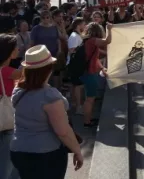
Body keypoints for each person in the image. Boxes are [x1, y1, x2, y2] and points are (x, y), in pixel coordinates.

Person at [10, 45, 83, 179]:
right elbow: (63, 131)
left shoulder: (18, 90)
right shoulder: (49, 96)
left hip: (18, 150)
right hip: (45, 154)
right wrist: (77, 150)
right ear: (48, 69)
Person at [81, 22, 112, 128]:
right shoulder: (93, 41)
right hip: (90, 73)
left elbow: (95, 58)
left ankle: (88, 119)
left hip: (88, 73)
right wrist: (110, 29)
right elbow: (107, 41)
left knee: (90, 98)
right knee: (90, 99)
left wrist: (102, 68)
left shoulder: (88, 42)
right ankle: (87, 122)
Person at [0, 34, 22, 179]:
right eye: (15, 47)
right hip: (6, 125)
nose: (18, 49)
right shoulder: (6, 71)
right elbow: (28, 73)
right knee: (7, 165)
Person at [67, 18, 85, 114]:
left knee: (76, 85)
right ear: (78, 25)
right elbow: (71, 51)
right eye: (83, 24)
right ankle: (78, 106)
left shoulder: (78, 35)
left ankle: (75, 104)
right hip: (74, 64)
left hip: (78, 63)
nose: (85, 26)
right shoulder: (74, 36)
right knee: (78, 85)